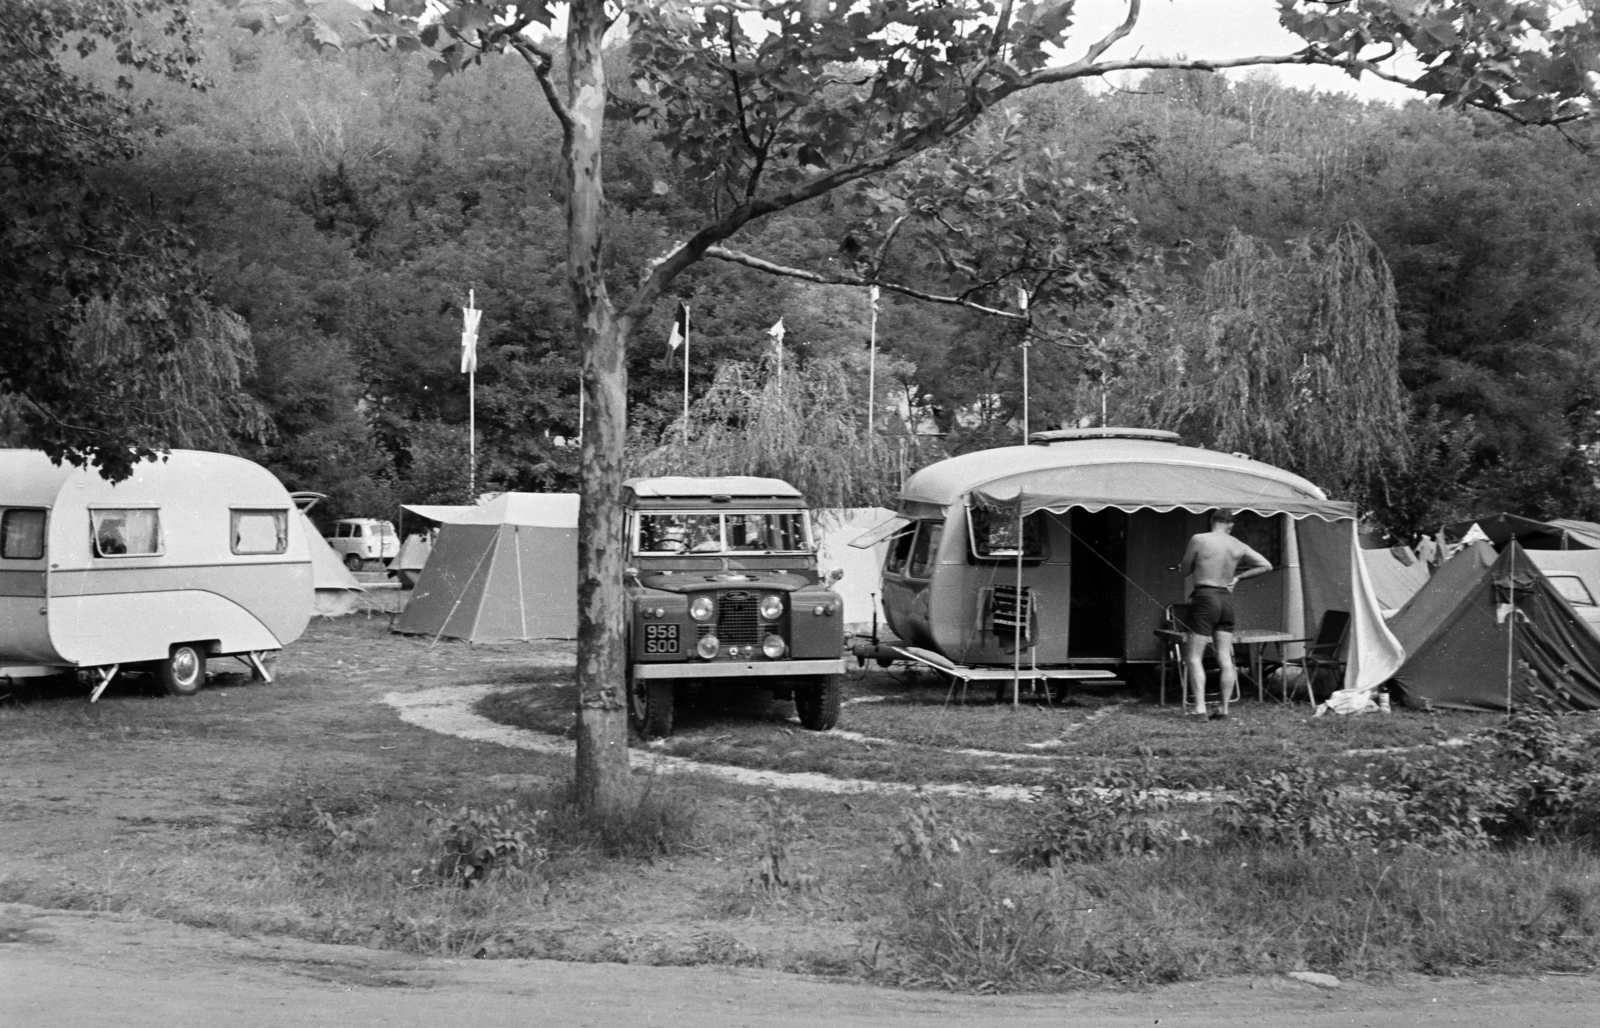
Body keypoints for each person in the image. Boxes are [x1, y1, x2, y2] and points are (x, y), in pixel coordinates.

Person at [1178, 510, 1272, 720]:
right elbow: (1266, 565)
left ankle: (1199, 709)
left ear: (1212, 521)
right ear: (1230, 525)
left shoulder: (1199, 539)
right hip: (1226, 600)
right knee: (1225, 658)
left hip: (1205, 597)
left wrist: (1186, 566)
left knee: (1193, 657)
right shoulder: (1238, 544)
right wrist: (1238, 578)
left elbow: (1184, 570)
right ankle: (1224, 709)